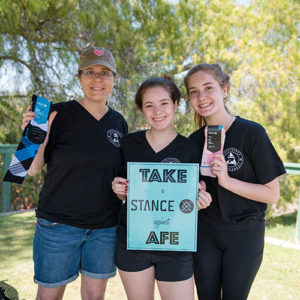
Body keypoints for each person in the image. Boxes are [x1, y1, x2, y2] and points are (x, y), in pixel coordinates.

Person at [21, 45, 128, 300]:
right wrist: (37, 138)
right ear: (79, 77)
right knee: (49, 296)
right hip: (58, 226)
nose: (97, 79)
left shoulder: (119, 122)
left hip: (103, 228)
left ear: (114, 79)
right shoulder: (51, 113)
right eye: (90, 72)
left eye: (105, 72)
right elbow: (31, 169)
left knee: (94, 296)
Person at [183, 63, 286, 300]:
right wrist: (196, 193)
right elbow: (190, 191)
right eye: (194, 91)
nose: (201, 97)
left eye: (209, 88)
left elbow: (272, 194)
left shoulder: (252, 133)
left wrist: (227, 181)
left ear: (225, 90)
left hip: (244, 234)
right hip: (204, 233)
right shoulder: (193, 141)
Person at [112, 77, 212, 300]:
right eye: (149, 105)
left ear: (175, 105)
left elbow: (195, 197)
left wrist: (201, 200)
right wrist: (118, 189)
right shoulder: (129, 144)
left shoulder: (191, 149)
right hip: (134, 242)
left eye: (164, 103)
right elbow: (123, 194)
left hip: (175, 244)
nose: (157, 111)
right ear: (142, 110)